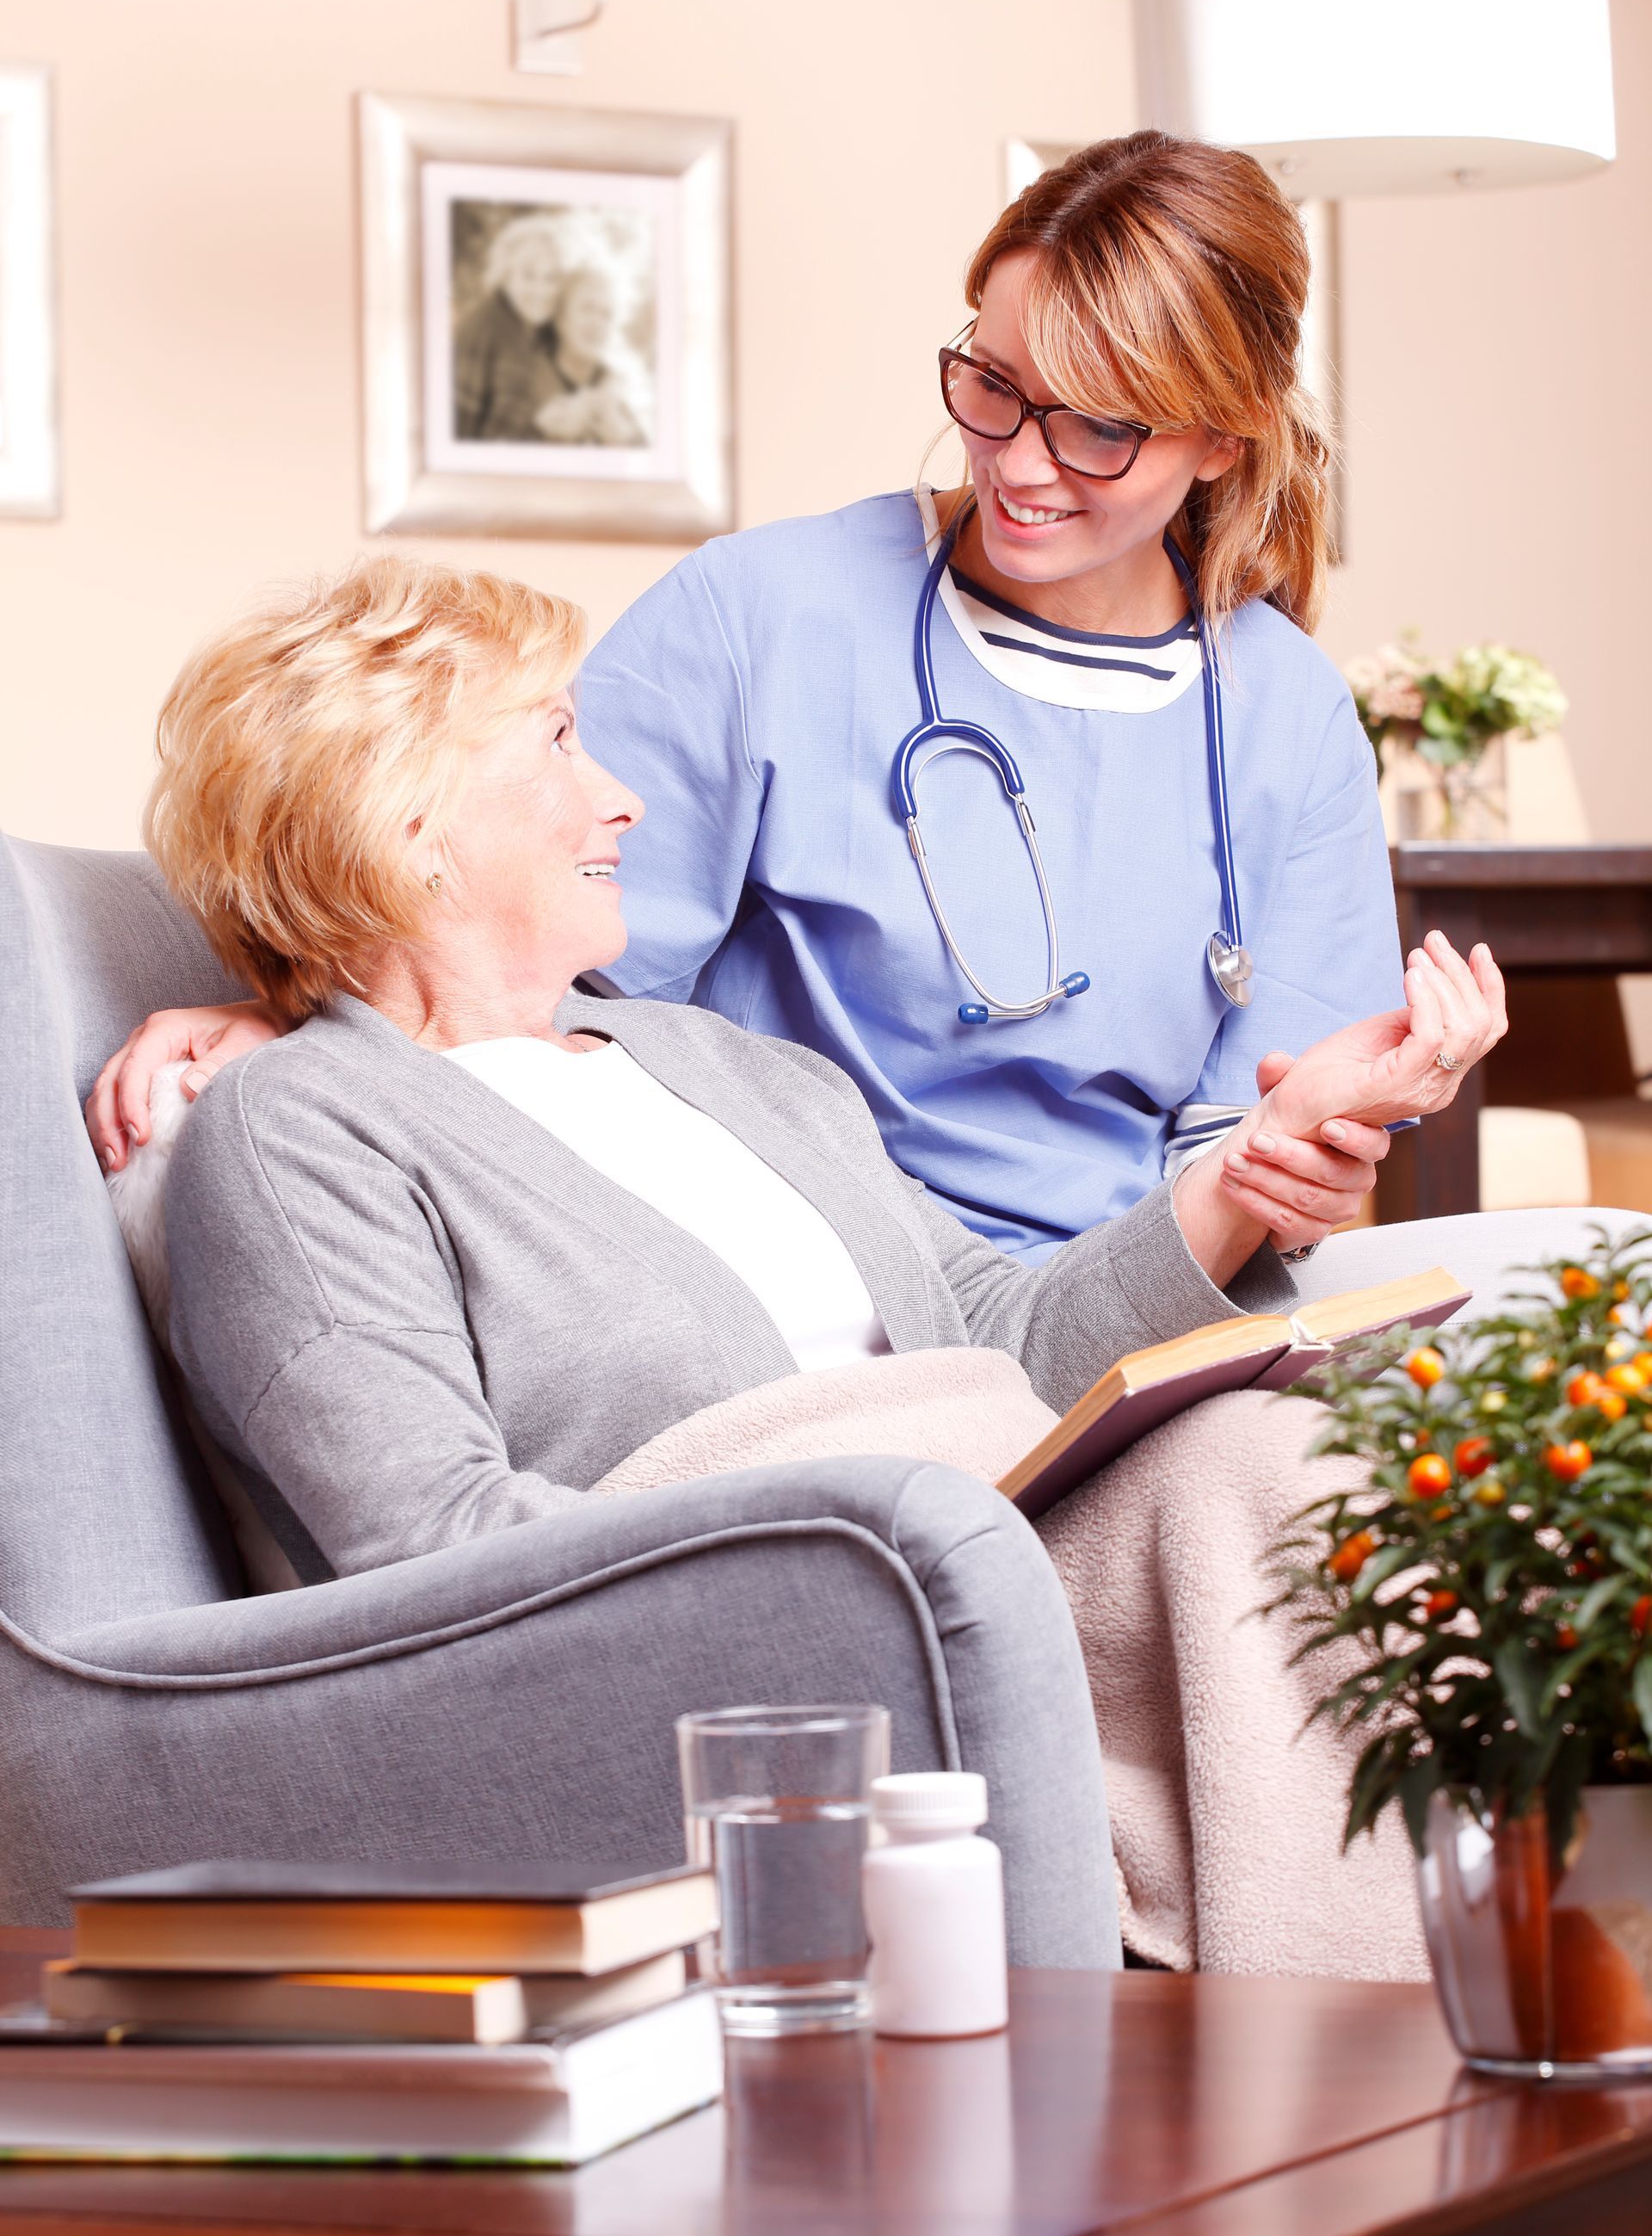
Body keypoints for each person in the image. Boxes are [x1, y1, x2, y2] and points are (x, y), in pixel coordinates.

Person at [94, 133, 1441, 1268]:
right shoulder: (768, 614)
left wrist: (1302, 1173)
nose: (1019, 464)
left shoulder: (1290, 717)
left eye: (1099, 426)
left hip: (1152, 1292)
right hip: (810, 1276)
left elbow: (1258, 1150)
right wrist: (290, 1027)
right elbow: (515, 951)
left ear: (1222, 438)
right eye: (992, 385)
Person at [126, 559, 1501, 1584]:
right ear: (406, 824)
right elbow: (431, 1542)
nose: (627, 797)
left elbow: (1017, 1347)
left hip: (990, 1526)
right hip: (845, 1590)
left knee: (1364, 1467)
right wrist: (881, 1540)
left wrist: (1263, 1151)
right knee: (1266, 1502)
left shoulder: (723, 1066)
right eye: (557, 741)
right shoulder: (303, 1132)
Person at [452, 212, 577, 444]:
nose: (542, 290)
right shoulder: (484, 330)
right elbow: (460, 439)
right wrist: (537, 428)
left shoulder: (540, 331)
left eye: (552, 278)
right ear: (506, 275)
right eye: (528, 276)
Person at [532, 264, 651, 448]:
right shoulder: (526, 382)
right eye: (587, 308)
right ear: (561, 318)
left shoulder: (622, 394)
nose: (597, 323)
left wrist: (624, 439)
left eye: (607, 315)